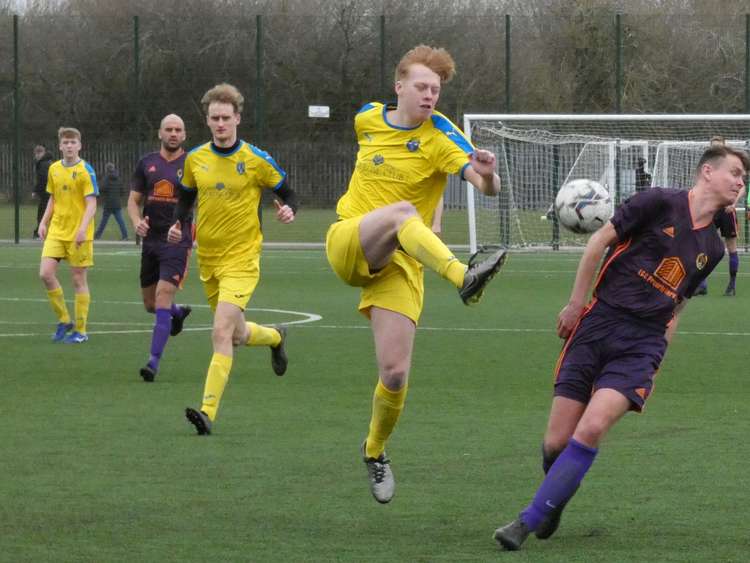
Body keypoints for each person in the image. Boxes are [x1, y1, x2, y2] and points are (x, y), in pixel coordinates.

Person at [493, 144, 749, 551]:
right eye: (735, 173)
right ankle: (555, 498)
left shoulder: (713, 250)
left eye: (743, 178)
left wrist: (658, 358)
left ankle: (526, 521)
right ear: (706, 172)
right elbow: (598, 243)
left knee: (592, 427)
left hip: (642, 344)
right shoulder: (658, 202)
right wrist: (576, 305)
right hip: (597, 323)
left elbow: (677, 306)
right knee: (555, 444)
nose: (740, 182)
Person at [325, 45, 506, 505]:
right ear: (399, 86)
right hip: (350, 239)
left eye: (437, 89)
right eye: (422, 86)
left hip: (402, 264)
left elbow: (484, 183)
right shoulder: (367, 118)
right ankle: (462, 275)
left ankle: (374, 450)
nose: (430, 95)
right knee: (404, 212)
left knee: (396, 372)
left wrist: (487, 175)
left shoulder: (442, 136)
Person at [168, 83, 297, 435]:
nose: (221, 124)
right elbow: (185, 198)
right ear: (207, 121)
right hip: (207, 260)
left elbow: (288, 192)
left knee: (220, 331)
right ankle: (274, 337)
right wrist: (179, 224)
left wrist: (289, 210)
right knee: (237, 335)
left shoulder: (256, 159)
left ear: (238, 118)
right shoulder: (195, 159)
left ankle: (208, 411)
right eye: (214, 118)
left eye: (226, 117)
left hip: (242, 258)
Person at [127, 114, 193, 382]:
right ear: (160, 133)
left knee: (164, 295)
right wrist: (136, 223)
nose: (174, 133)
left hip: (177, 242)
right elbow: (133, 201)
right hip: (150, 241)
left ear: (184, 135)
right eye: (169, 129)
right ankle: (178, 313)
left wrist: (183, 224)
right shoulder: (147, 163)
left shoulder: (193, 164)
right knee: (151, 304)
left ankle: (152, 362)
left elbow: (199, 200)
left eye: (178, 129)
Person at [38, 127, 99, 343]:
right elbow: (52, 198)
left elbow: (92, 203)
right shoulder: (54, 168)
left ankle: (81, 331)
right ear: (60, 146)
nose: (70, 146)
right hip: (56, 231)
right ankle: (64, 320)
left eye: (73, 142)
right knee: (45, 274)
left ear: (80, 145)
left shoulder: (85, 171)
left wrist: (82, 228)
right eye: (66, 142)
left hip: (78, 234)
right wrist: (43, 222)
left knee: (78, 279)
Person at [694, 136, 743, 296]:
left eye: (719, 146)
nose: (716, 148)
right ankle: (702, 285)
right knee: (702, 244)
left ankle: (732, 285)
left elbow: (741, 186)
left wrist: (733, 203)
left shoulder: (732, 166)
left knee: (731, 247)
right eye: (713, 146)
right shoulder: (706, 166)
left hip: (727, 211)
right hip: (712, 210)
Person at [94, 162, 129, 240]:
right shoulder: (119, 179)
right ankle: (125, 236)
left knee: (103, 221)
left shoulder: (106, 179)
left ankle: (97, 236)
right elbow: (122, 191)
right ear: (113, 169)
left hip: (108, 204)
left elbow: (101, 189)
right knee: (121, 221)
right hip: (117, 204)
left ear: (107, 169)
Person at [32, 145, 54, 239]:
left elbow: (42, 179)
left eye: (38, 153)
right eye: (36, 153)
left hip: (46, 193)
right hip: (49, 192)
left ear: (42, 153)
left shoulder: (43, 164)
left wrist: (36, 190)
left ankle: (39, 233)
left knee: (42, 213)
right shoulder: (48, 162)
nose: (37, 155)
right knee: (47, 213)